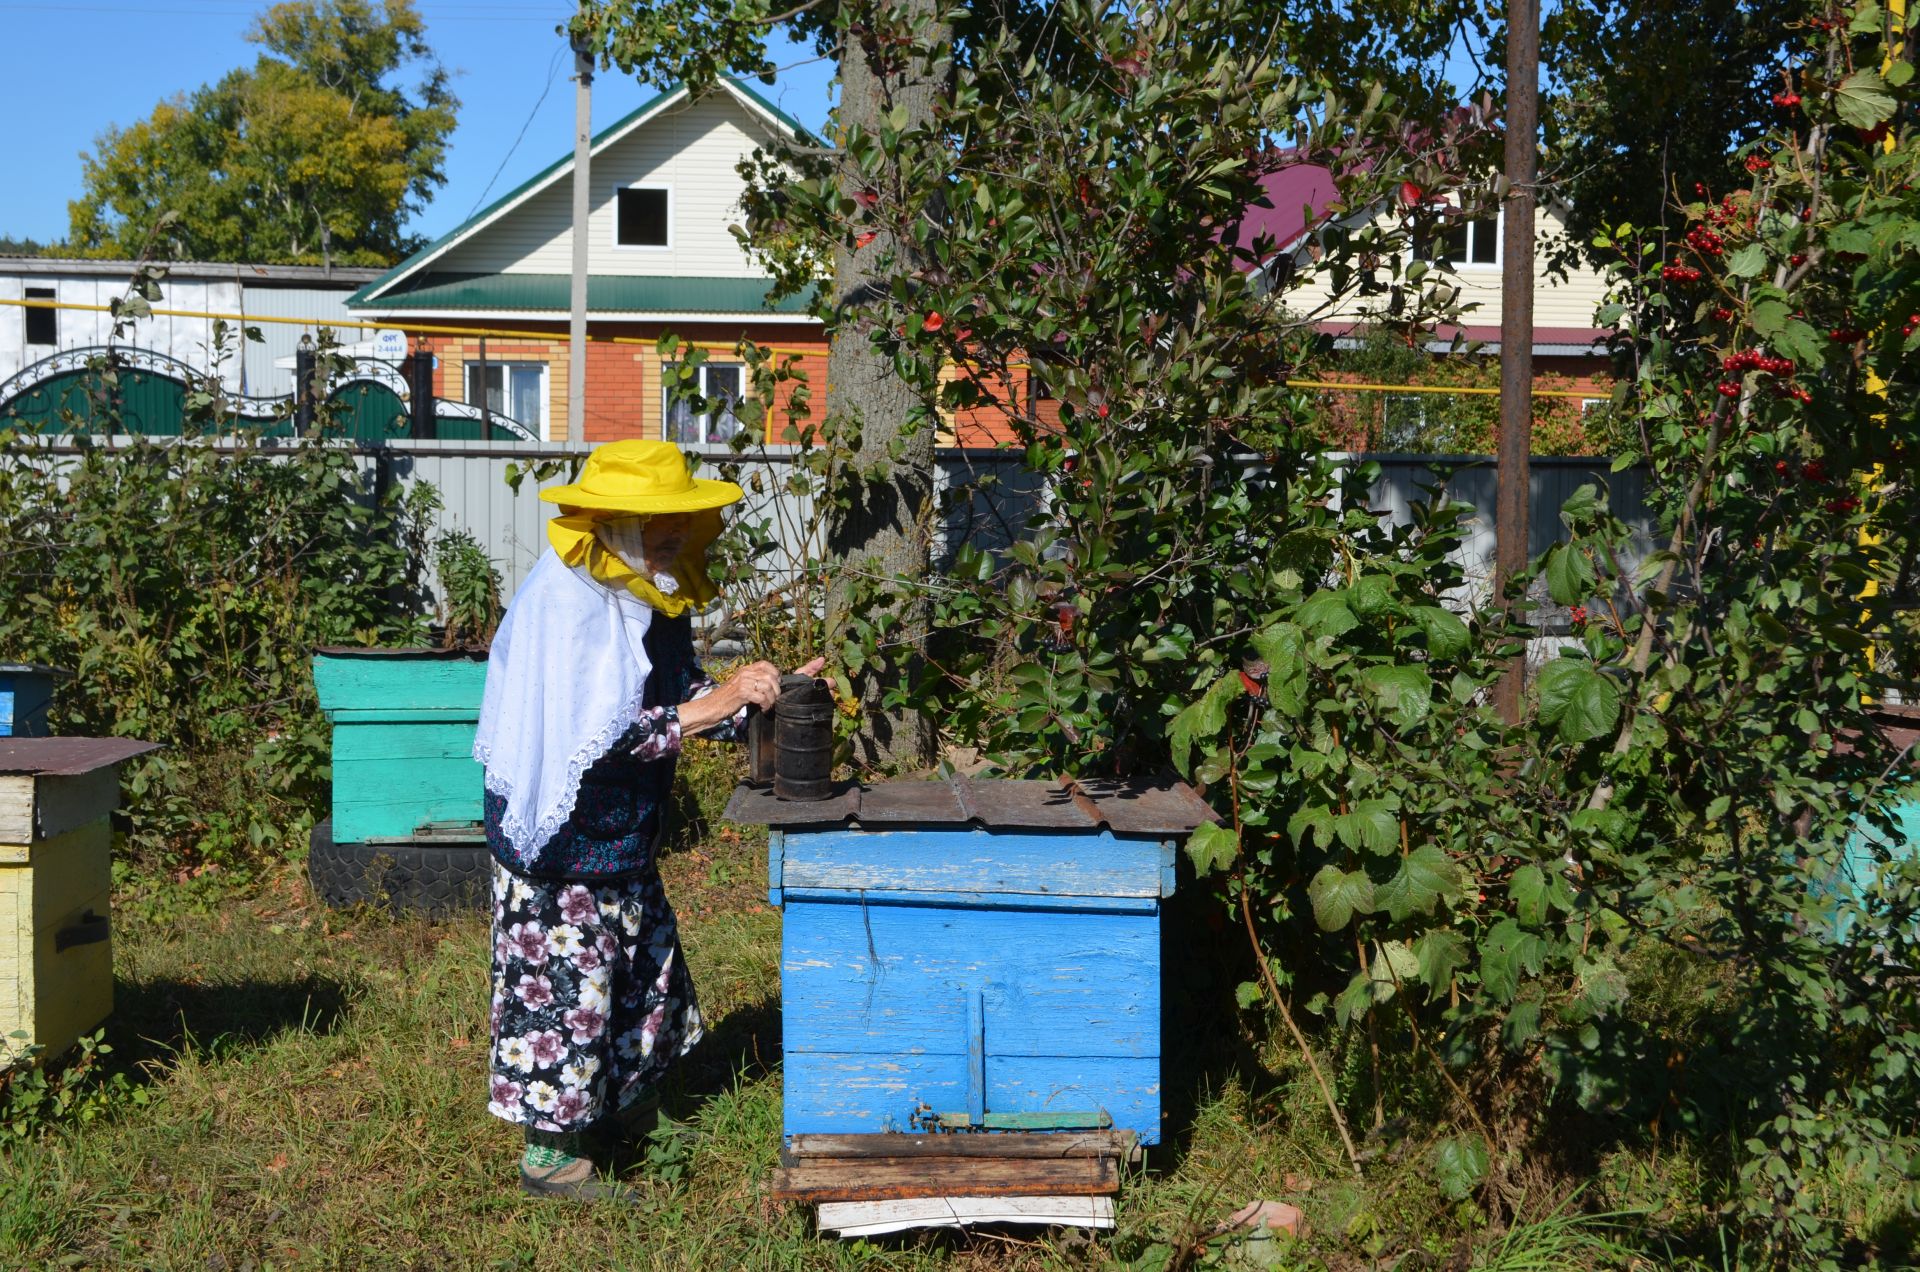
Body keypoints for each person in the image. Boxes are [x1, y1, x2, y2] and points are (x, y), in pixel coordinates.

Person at [472, 439, 820, 1201]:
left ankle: (629, 1107)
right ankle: (551, 1159)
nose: (676, 543)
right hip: (558, 849)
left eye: (680, 529)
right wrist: (716, 703)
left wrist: (762, 697)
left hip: (622, 836)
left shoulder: (652, 594)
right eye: (661, 529)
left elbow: (682, 691)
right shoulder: (567, 604)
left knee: (643, 971)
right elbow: (598, 740)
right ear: (616, 526)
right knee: (565, 992)